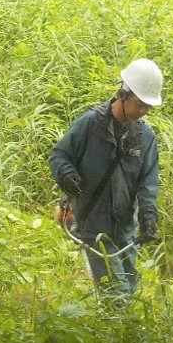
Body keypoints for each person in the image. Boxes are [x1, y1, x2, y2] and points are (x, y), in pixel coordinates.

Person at [49, 58, 162, 295]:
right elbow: (59, 155)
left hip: (124, 228)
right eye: (139, 104)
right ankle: (111, 328)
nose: (142, 111)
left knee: (130, 289)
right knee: (115, 293)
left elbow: (147, 181)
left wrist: (148, 217)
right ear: (123, 93)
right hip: (92, 224)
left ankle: (112, 330)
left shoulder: (145, 136)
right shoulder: (91, 124)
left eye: (147, 107)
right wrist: (67, 175)